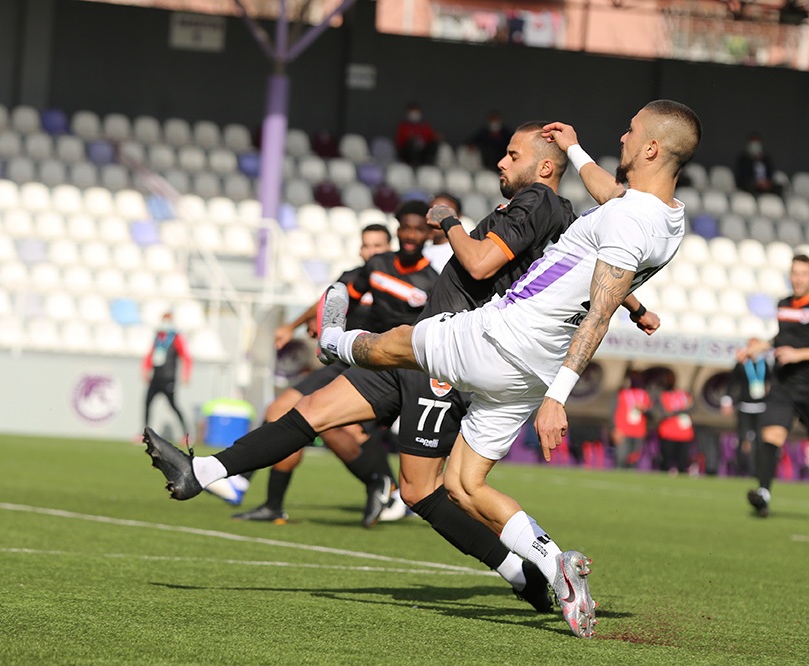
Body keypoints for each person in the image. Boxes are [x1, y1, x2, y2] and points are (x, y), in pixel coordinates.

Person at [144, 121, 596, 615]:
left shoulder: (538, 201)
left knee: (421, 490)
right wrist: (634, 307)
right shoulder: (556, 217)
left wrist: (448, 220)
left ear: (545, 166)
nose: (501, 162)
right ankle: (201, 471)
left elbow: (482, 264)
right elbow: (583, 275)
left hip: (445, 359)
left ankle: (523, 573)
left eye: (512, 155)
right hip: (417, 346)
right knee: (312, 409)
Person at [308, 100, 699, 638]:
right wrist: (574, 149)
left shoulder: (629, 220)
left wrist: (558, 398)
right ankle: (556, 563)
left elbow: (600, 314)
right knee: (463, 483)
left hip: (503, 335)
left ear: (651, 147)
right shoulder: (667, 218)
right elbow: (610, 196)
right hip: (532, 367)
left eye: (630, 132)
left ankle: (333, 340)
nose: (622, 137)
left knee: (399, 343)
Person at [231, 203, 437, 525]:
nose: (410, 235)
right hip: (353, 357)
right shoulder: (373, 269)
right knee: (282, 411)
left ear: (427, 234)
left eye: (418, 229)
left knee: (339, 429)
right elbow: (339, 298)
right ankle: (263, 495)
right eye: (367, 246)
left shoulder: (432, 281)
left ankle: (382, 483)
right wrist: (319, 322)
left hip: (392, 370)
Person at [738, 254, 809, 518]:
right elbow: (783, 337)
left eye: (803, 274)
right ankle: (763, 493)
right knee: (771, 435)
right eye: (794, 273)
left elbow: (795, 346)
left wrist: (799, 354)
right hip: (784, 385)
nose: (798, 279)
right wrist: (758, 348)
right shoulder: (784, 304)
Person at [721, 346, 770, 477]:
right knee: (743, 439)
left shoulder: (763, 364)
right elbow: (732, 383)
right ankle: (740, 469)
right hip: (744, 406)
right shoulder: (741, 365)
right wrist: (727, 401)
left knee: (760, 440)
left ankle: (758, 471)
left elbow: (770, 382)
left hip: (761, 407)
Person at [142, 312, 192, 437]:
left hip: (168, 378)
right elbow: (150, 354)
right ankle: (145, 433)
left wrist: (186, 375)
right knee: (147, 403)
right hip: (156, 377)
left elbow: (186, 357)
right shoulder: (158, 338)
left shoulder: (176, 338)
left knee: (173, 406)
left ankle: (185, 433)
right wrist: (145, 369)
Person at [652, 370, 695, 475]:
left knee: (682, 464)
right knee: (666, 462)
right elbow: (666, 413)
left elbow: (693, 407)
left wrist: (679, 409)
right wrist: (682, 409)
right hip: (668, 433)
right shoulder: (663, 395)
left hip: (685, 434)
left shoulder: (684, 395)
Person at [610, 370, 652, 469]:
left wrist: (644, 409)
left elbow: (652, 413)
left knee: (634, 461)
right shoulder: (622, 393)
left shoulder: (644, 394)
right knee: (621, 459)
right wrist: (614, 428)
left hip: (639, 432)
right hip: (623, 431)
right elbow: (612, 412)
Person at [422, 192, 459, 273]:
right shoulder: (420, 250)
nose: (435, 217)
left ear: (458, 217)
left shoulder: (460, 253)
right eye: (432, 211)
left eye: (442, 213)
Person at [395, 102, 441, 167]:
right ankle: (414, 165)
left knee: (434, 144)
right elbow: (400, 142)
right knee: (412, 143)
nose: (414, 114)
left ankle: (428, 163)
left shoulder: (425, 126)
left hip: (422, 152)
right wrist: (413, 139)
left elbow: (431, 137)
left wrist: (435, 137)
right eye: (412, 111)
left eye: (416, 111)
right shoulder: (403, 126)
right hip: (408, 154)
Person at [735, 131, 781, 196]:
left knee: (779, 187)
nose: (755, 145)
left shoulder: (766, 158)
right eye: (753, 142)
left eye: (757, 143)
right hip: (752, 184)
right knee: (750, 185)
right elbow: (743, 175)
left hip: (765, 184)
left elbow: (771, 172)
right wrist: (757, 183)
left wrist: (767, 182)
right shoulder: (744, 158)